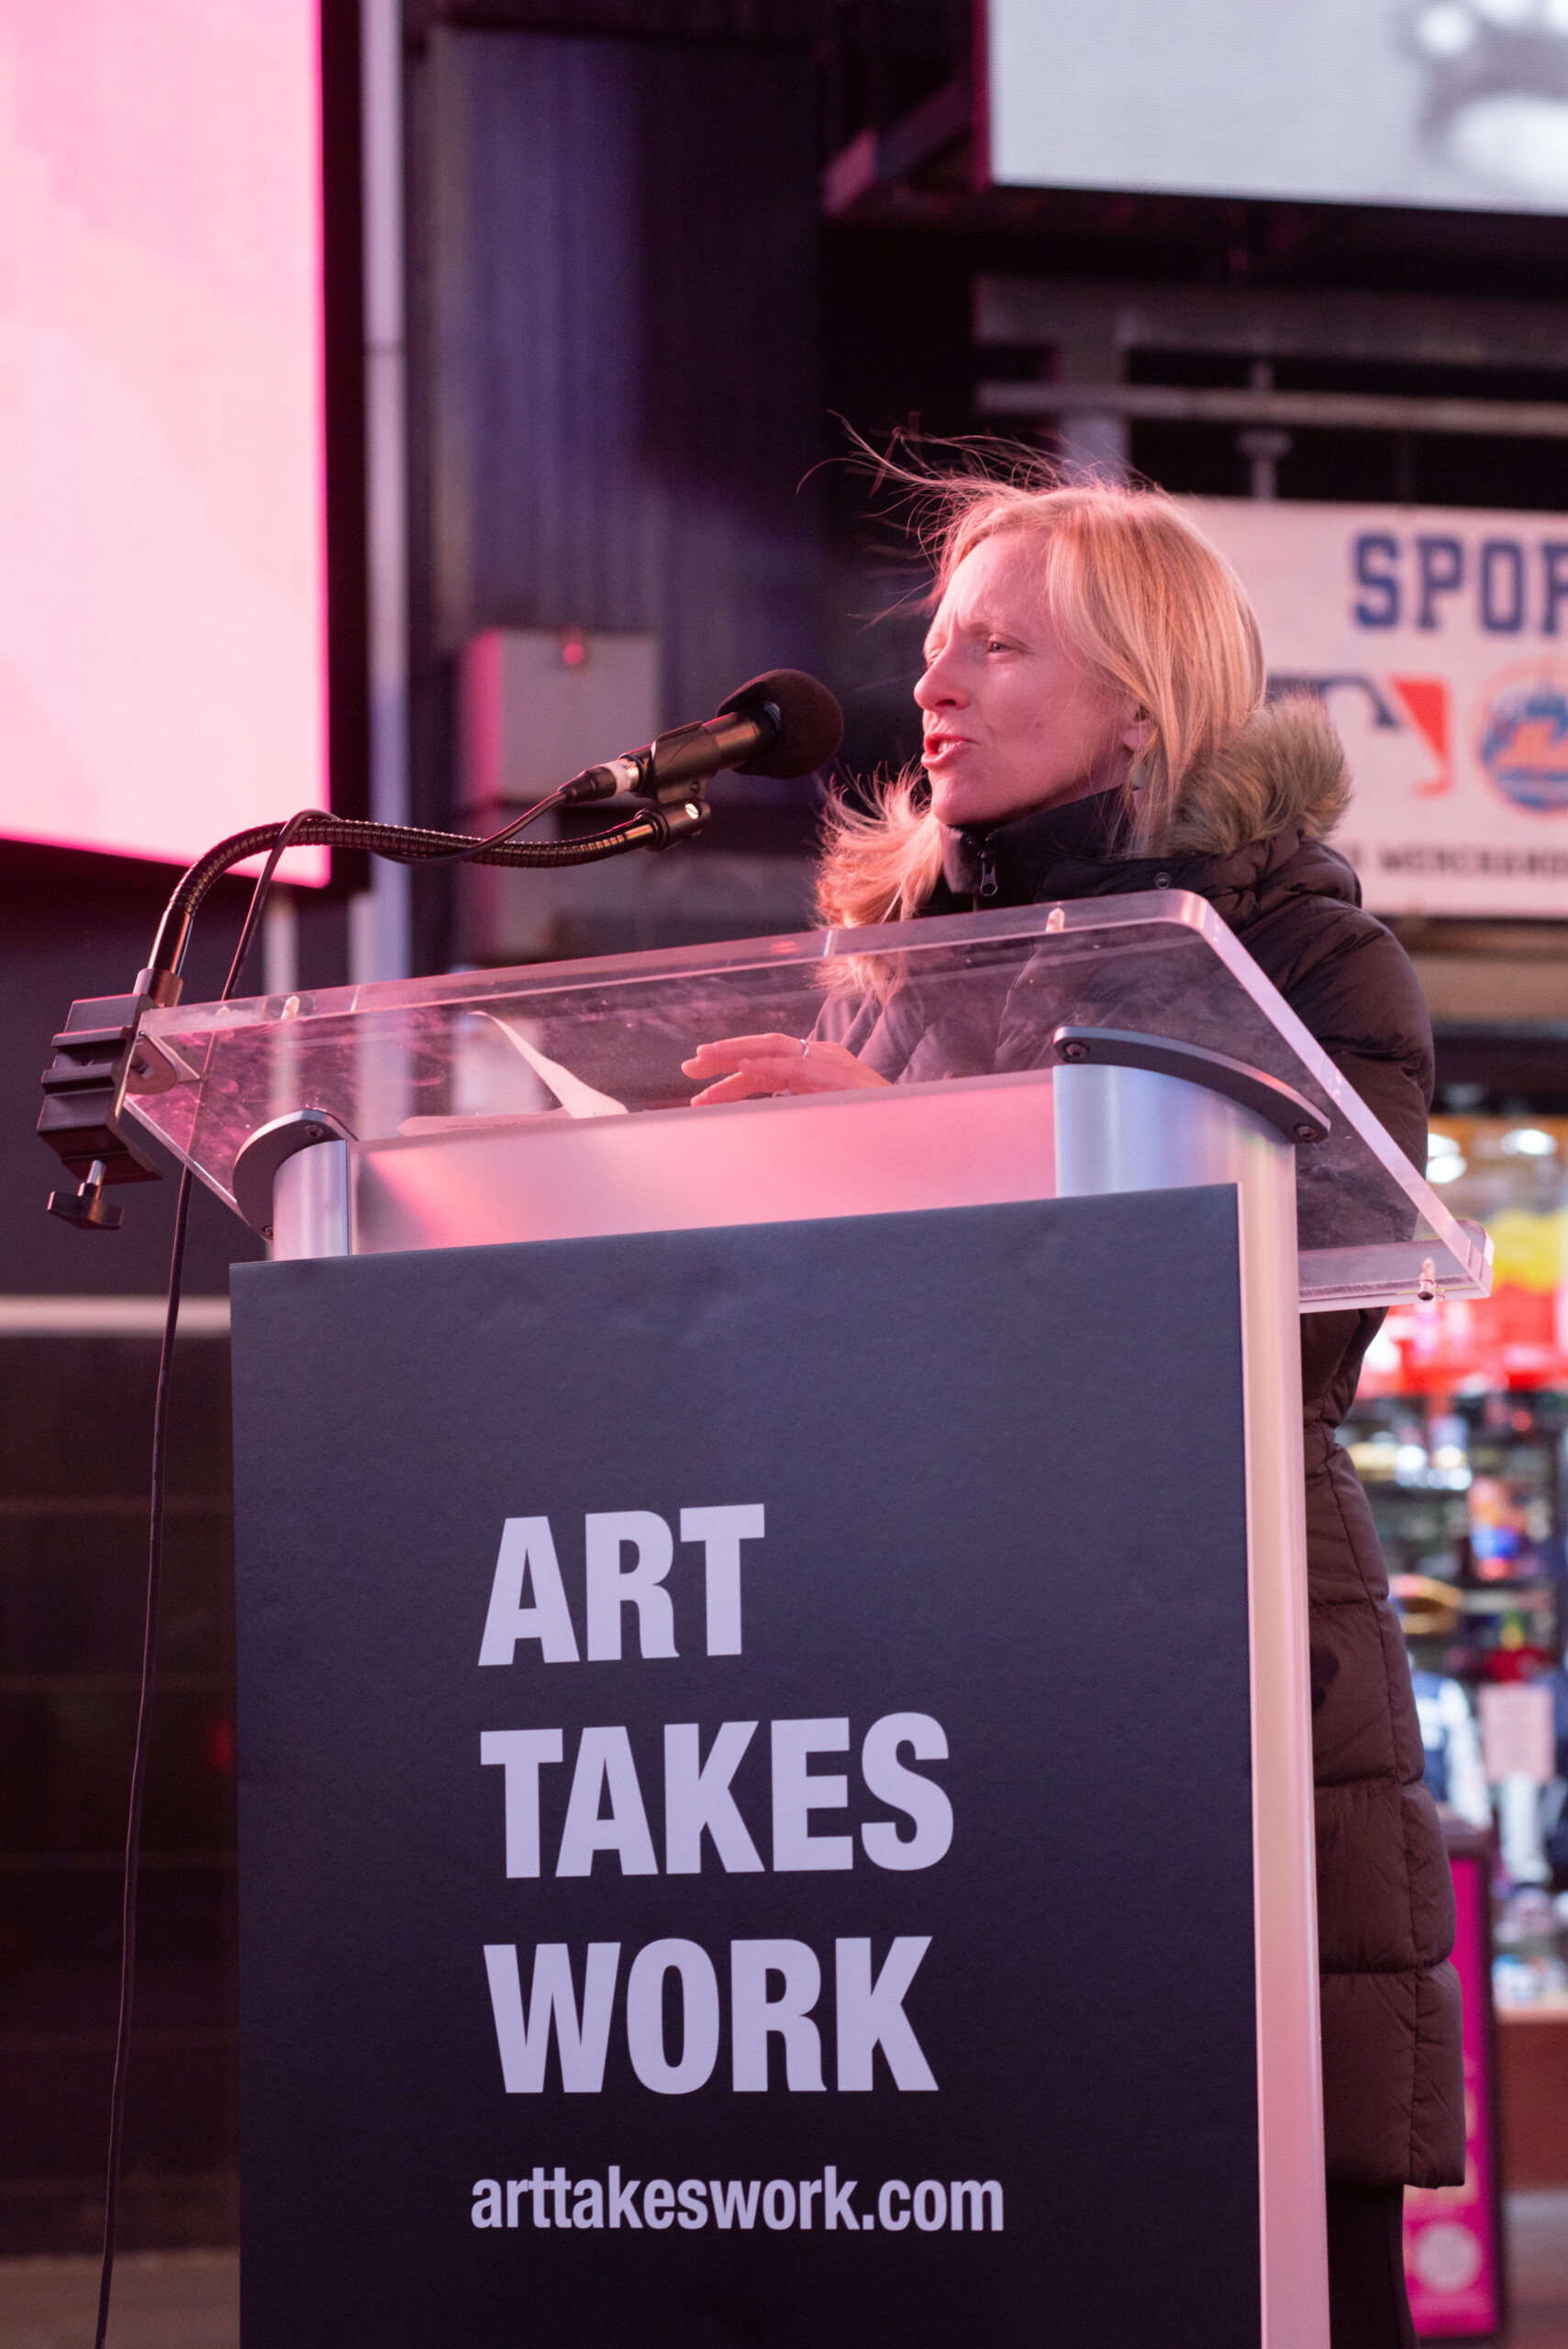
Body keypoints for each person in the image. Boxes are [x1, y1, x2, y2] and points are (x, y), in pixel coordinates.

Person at [682, 471, 1463, 2349]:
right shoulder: (890, 975)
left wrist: (882, 1163)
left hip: (1217, 1700)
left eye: (999, 643)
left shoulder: (1310, 967)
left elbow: (1255, 1338)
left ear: (1142, 701)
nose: (935, 686)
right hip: (918, 1723)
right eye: (936, 644)